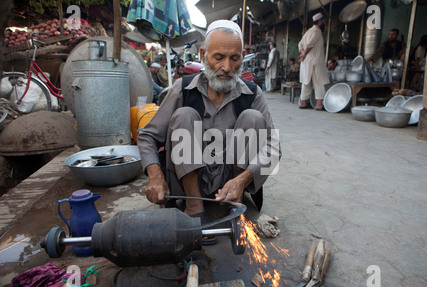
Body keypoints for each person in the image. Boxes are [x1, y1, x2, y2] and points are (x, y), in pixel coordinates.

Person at [138, 20, 280, 224]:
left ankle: (232, 200)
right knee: (184, 115)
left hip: (231, 179)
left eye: (234, 58)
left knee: (253, 118)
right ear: (204, 55)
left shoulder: (252, 94)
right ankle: (194, 205)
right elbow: (147, 136)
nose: (227, 67)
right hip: (188, 182)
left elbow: (274, 148)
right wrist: (154, 174)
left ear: (242, 58)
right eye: (219, 58)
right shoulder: (183, 89)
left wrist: (243, 179)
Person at [298, 12, 329, 110]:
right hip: (315, 62)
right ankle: (319, 104)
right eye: (323, 21)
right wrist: (305, 54)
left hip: (307, 62)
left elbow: (300, 45)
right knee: (318, 82)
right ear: (320, 21)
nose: (324, 22)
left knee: (306, 82)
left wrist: (303, 53)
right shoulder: (317, 31)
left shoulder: (308, 31)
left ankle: (303, 103)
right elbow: (310, 44)